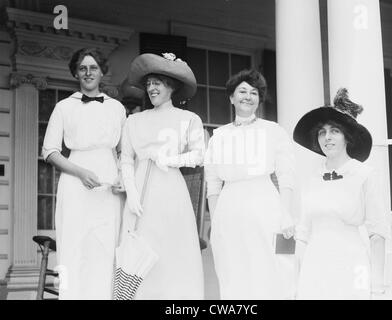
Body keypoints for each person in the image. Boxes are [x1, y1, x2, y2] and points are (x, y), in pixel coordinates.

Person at [42, 48, 127, 299]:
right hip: (75, 183)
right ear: (76, 73)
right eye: (82, 68)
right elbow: (50, 151)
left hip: (108, 184)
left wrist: (122, 176)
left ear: (102, 72)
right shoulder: (64, 107)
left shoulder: (117, 108)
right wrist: (80, 172)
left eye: (93, 68)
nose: (88, 73)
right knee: (75, 245)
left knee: (105, 246)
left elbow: (124, 152)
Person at [204, 69, 297, 299]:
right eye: (242, 91)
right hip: (229, 206)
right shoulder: (219, 137)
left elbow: (286, 176)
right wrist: (216, 220)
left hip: (264, 202)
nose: (248, 96)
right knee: (233, 269)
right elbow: (213, 184)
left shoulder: (273, 131)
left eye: (254, 92)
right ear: (231, 97)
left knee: (270, 266)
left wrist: (286, 213)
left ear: (259, 99)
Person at [120, 52, 205, 299]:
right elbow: (126, 159)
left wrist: (170, 160)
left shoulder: (188, 119)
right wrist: (132, 192)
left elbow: (199, 155)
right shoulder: (134, 121)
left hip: (170, 190)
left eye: (157, 83)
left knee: (171, 252)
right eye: (148, 84)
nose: (151, 88)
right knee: (139, 252)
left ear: (171, 85)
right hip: (140, 191)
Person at [293, 88, 389, 299]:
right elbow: (302, 235)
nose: (327, 137)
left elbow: (377, 235)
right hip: (314, 270)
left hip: (352, 267)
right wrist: (295, 285)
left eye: (335, 131)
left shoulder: (364, 175)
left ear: (347, 137)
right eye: (322, 132)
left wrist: (377, 289)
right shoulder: (310, 179)